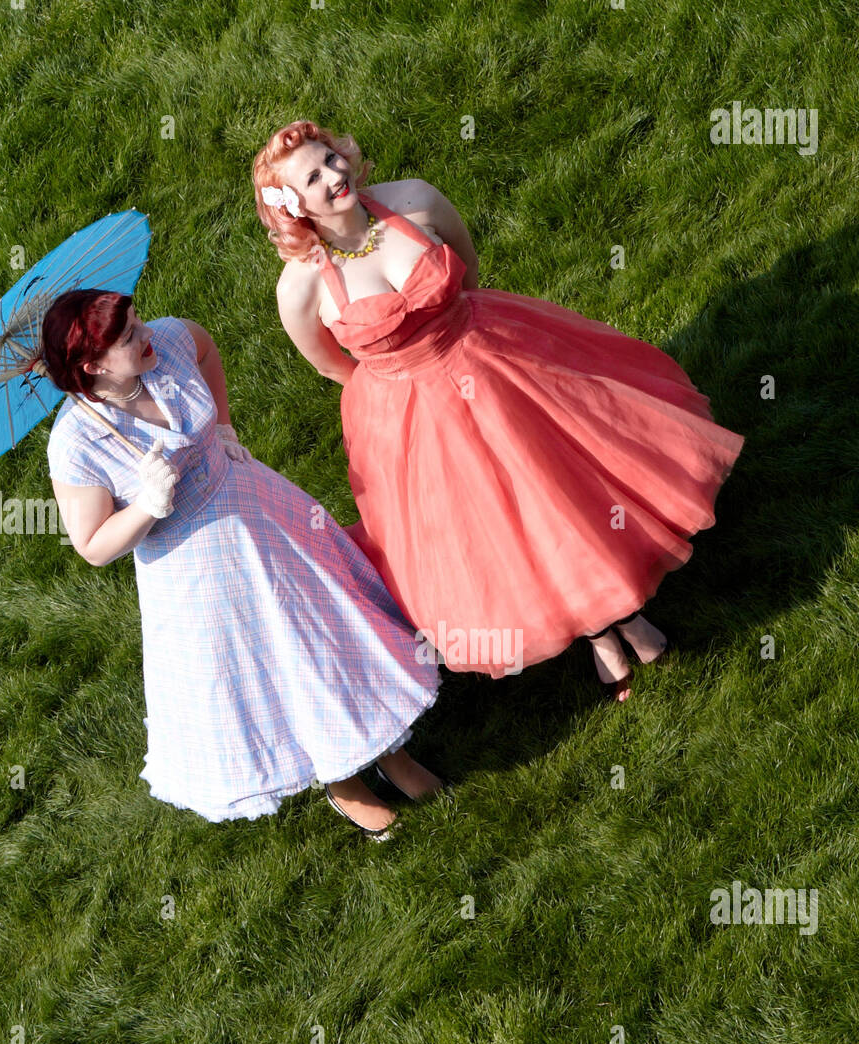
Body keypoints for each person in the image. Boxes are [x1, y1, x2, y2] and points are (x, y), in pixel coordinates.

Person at [255, 120, 745, 699]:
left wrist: (458, 333)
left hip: (493, 358)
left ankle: (619, 614)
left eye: (332, 159)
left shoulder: (414, 199)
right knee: (500, 522)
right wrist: (396, 379)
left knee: (558, 483)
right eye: (312, 177)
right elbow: (331, 365)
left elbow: (467, 263)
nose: (334, 176)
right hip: (413, 416)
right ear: (292, 205)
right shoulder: (300, 288)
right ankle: (601, 632)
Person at [41, 288, 444, 839]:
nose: (148, 334)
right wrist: (144, 508)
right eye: (130, 336)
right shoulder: (76, 444)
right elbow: (92, 545)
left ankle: (389, 750)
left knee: (327, 628)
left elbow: (205, 348)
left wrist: (224, 427)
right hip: (198, 568)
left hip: (260, 508)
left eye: (137, 322)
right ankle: (342, 781)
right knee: (279, 663)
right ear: (92, 367)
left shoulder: (170, 344)